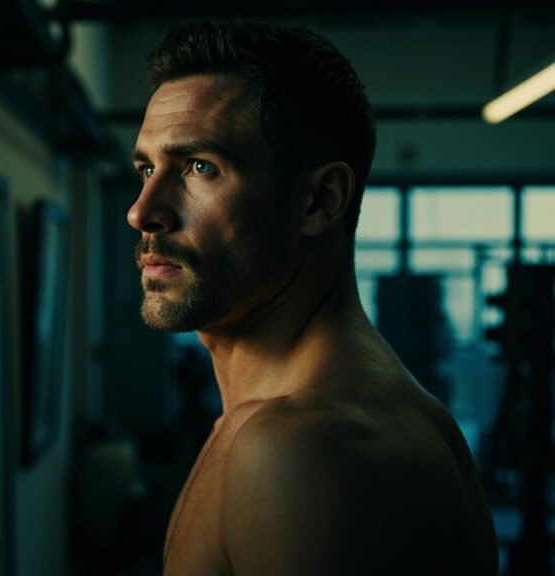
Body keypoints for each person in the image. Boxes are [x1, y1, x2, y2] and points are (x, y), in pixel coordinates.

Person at [127, 21, 497, 575]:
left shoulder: (306, 450)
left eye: (201, 168)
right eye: (147, 168)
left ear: (319, 201)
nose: (142, 211)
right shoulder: (266, 422)